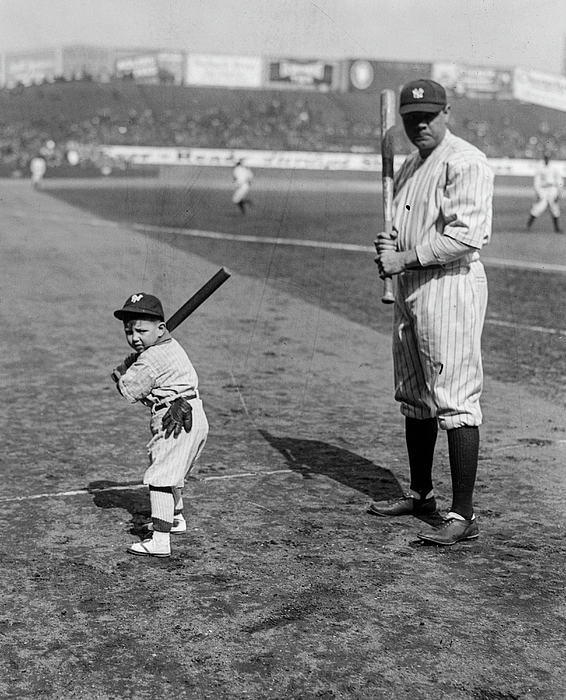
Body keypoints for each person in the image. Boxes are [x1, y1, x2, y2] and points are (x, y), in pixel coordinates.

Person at [369, 79, 494, 546]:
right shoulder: (410, 164)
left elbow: (467, 236)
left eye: (429, 115)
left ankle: (464, 515)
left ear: (447, 114)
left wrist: (403, 258)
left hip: (451, 286)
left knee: (455, 399)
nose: (419, 124)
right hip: (411, 286)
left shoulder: (465, 161)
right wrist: (389, 246)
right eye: (411, 118)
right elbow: (404, 232)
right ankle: (421, 494)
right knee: (415, 394)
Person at [112, 293, 209, 558]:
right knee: (172, 471)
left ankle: (160, 541)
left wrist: (121, 374)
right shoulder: (169, 346)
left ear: (161, 329)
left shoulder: (151, 358)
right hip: (193, 414)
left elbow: (130, 390)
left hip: (175, 418)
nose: (135, 338)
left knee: (161, 477)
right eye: (129, 332)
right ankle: (175, 519)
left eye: (142, 331)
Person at [526, 151, 564, 233]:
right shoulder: (540, 167)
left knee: (554, 208)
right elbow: (537, 181)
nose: (547, 159)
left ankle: (557, 228)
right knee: (539, 207)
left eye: (548, 158)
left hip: (552, 189)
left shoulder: (554, 167)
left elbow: (559, 180)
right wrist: (538, 192)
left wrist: (559, 193)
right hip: (543, 189)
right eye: (545, 158)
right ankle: (528, 226)